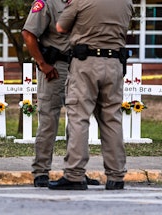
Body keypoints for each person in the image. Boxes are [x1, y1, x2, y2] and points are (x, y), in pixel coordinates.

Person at [49, 0, 134, 190]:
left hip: (86, 62)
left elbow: (61, 27)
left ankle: (74, 174)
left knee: (79, 116)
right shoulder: (126, 2)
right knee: (112, 118)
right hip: (114, 64)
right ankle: (116, 175)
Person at [22, 0, 99, 187]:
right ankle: (41, 171)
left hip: (79, 66)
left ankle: (75, 172)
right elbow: (28, 33)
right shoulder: (46, 3)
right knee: (49, 119)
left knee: (78, 121)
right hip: (54, 68)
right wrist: (42, 64)